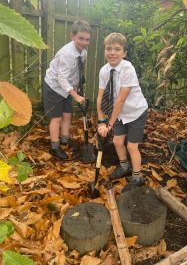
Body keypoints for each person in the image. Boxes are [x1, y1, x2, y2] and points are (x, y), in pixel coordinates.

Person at [97, 32, 148, 192]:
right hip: (119, 114)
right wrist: (101, 122)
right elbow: (100, 98)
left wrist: (109, 124)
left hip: (135, 112)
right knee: (118, 142)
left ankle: (137, 177)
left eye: (117, 49)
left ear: (124, 53)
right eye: (109, 48)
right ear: (104, 50)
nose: (112, 52)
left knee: (132, 146)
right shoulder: (104, 71)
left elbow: (120, 100)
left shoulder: (128, 69)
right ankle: (124, 167)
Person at [43, 20, 91, 160]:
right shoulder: (67, 54)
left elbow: (75, 70)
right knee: (56, 118)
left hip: (67, 88)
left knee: (67, 115)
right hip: (54, 86)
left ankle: (64, 139)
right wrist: (75, 95)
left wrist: (75, 85)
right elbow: (61, 78)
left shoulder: (83, 53)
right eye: (80, 38)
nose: (84, 42)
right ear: (72, 37)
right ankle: (55, 146)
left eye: (87, 39)